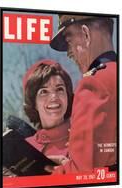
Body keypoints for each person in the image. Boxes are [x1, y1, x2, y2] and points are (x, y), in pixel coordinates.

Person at [49, 15, 117, 173]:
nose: (69, 54)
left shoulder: (94, 84)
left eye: (69, 42)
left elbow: (82, 174)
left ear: (86, 35)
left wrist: (50, 171)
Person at [23, 59, 73, 165]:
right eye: (44, 91)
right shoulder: (23, 146)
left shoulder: (82, 138)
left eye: (59, 89)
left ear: (68, 97)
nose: (54, 97)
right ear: (34, 102)